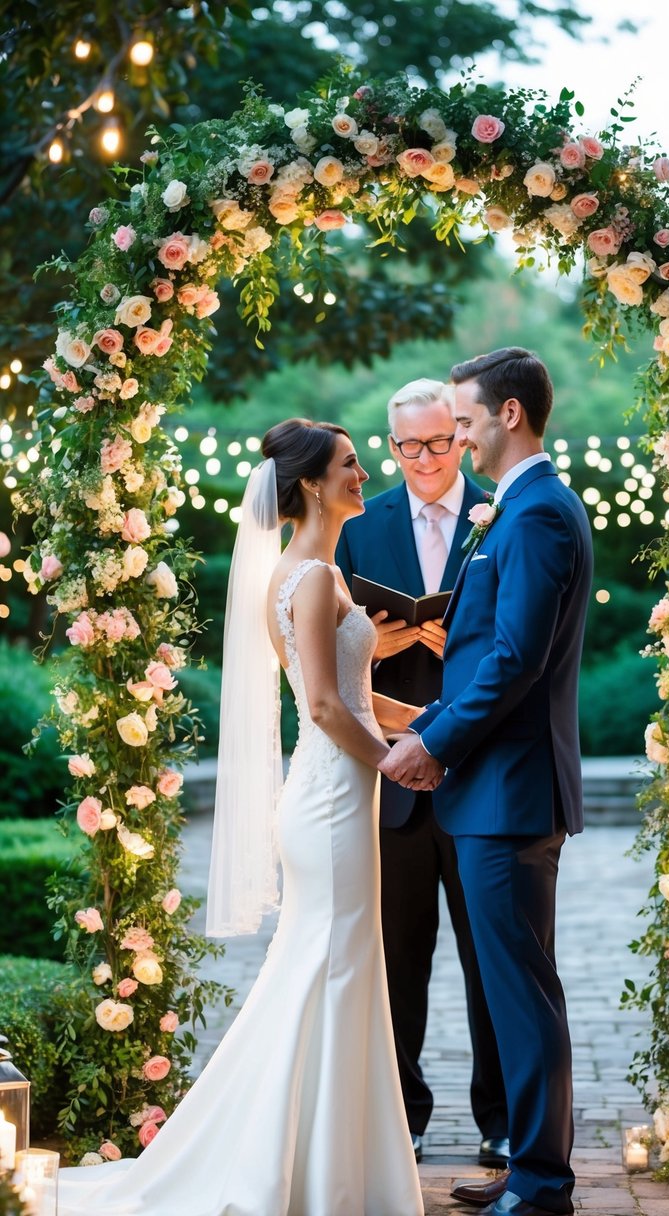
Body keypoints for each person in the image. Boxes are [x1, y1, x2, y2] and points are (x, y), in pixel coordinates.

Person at [58, 419, 426, 1216]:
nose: (365, 474)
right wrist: (394, 760)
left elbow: (353, 699)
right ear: (309, 486)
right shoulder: (317, 580)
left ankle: (321, 1163)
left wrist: (428, 723)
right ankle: (313, 1173)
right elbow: (325, 707)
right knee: (331, 971)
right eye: (350, 465)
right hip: (331, 802)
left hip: (329, 796)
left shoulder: (303, 574)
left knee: (329, 971)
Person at [382, 348, 593, 1216]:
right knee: (513, 991)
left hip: (506, 791)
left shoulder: (537, 513)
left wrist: (433, 738)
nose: (456, 437)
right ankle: (525, 1166)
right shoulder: (519, 508)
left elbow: (514, 658)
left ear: (509, 415)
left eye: (465, 420)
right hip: (497, 790)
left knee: (519, 990)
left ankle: (541, 1184)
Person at [336, 379, 509, 1166]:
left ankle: (500, 1119)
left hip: (483, 774)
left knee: (491, 963)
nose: (426, 459)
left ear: (462, 438)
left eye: (441, 442)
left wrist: (463, 646)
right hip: (392, 783)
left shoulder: (501, 513)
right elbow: (320, 657)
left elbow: (522, 639)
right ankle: (400, 1114)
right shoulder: (357, 529)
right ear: (390, 445)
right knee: (396, 961)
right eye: (409, 446)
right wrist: (374, 646)